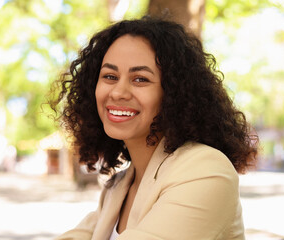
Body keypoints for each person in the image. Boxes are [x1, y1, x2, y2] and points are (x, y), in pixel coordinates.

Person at [48, 16, 258, 240]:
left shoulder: (206, 170)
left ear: (174, 94)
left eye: (140, 79)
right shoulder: (119, 186)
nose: (118, 92)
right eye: (110, 76)